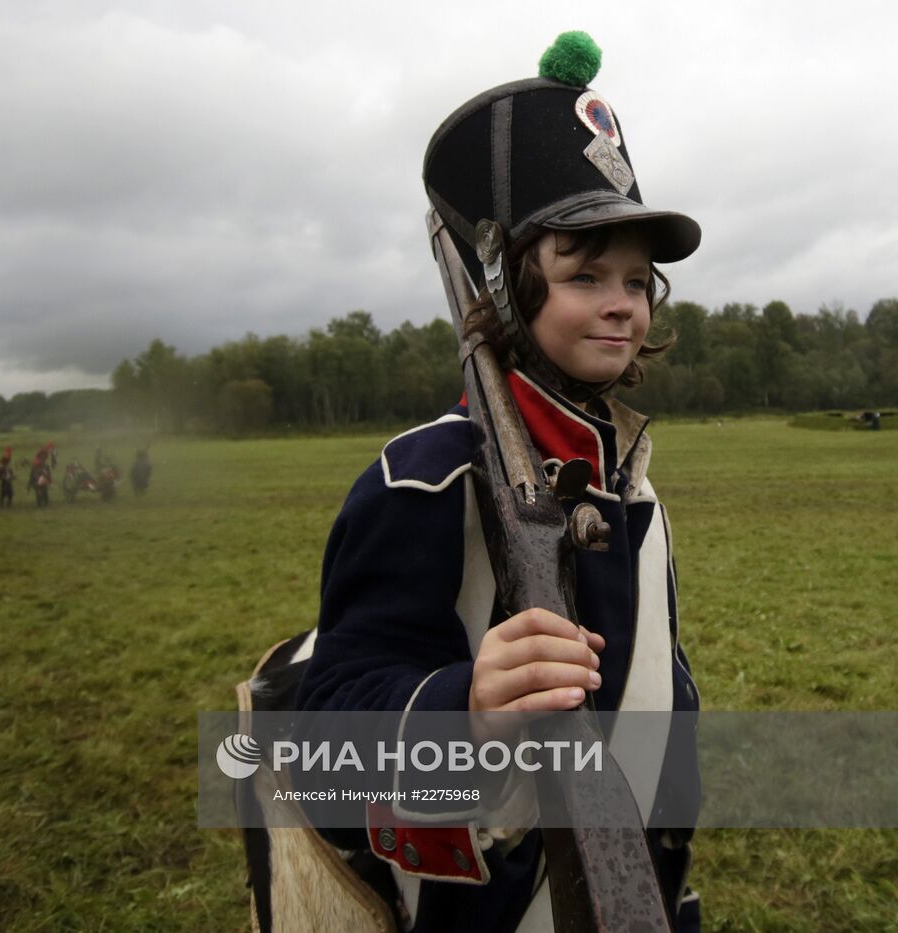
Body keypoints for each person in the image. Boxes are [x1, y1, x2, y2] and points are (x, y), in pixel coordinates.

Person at [290, 33, 702, 932]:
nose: (623, 302)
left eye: (637, 278)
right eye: (584, 273)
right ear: (509, 289)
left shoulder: (632, 484)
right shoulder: (422, 480)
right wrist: (461, 706)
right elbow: (321, 748)